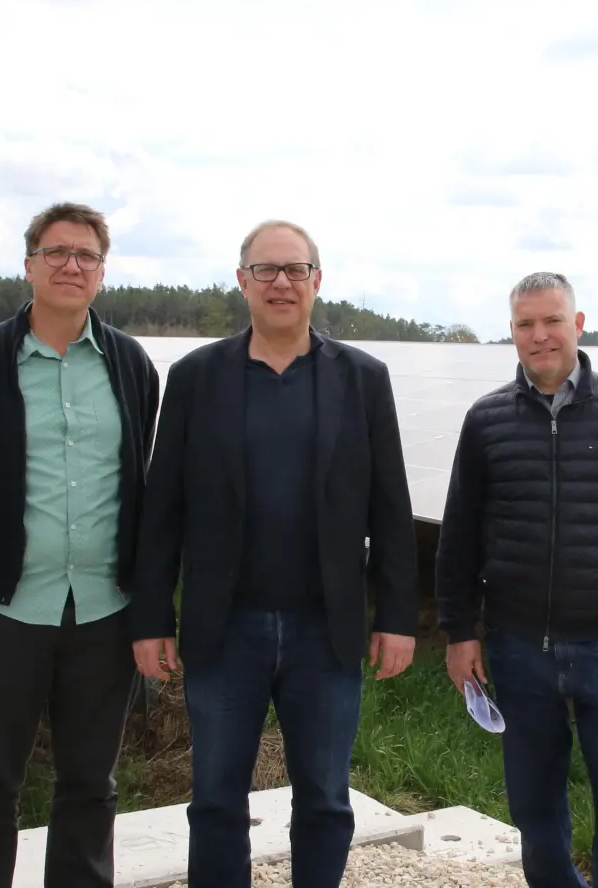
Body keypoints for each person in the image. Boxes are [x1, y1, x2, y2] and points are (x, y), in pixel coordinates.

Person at [129, 219, 419, 888]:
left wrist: (397, 615)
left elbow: (389, 506)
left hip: (327, 629)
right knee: (216, 801)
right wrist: (150, 619)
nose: (281, 282)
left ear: (318, 281)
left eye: (295, 270)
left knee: (323, 798)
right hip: (225, 628)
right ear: (242, 282)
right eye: (266, 270)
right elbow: (163, 507)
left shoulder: (363, 379)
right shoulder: (197, 377)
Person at [433, 271, 598, 888]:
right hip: (518, 647)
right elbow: (459, 536)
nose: (539, 335)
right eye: (525, 324)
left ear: (577, 324)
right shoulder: (487, 419)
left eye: (551, 321)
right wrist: (459, 632)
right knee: (535, 809)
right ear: (512, 332)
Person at [0, 202, 160, 888]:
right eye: (57, 253)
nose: (71, 266)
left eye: (86, 256)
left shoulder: (130, 366)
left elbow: (140, 474)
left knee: (90, 784)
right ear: (29, 264)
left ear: (102, 272)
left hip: (102, 610)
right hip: (6, 609)